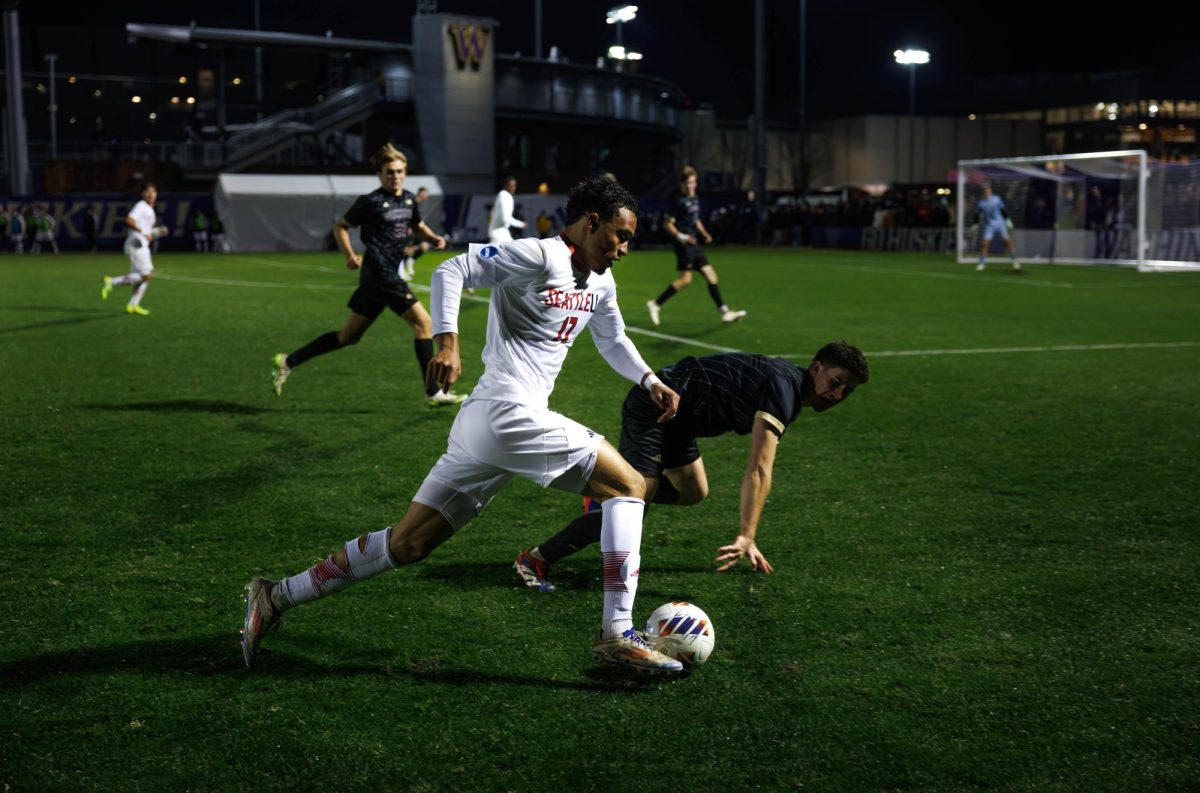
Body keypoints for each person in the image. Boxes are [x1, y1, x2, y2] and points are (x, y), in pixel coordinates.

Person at [242, 177, 685, 674]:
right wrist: (447, 342)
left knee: (408, 544)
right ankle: (617, 633)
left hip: (486, 425)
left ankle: (275, 596)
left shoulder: (601, 281)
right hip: (507, 412)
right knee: (628, 486)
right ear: (591, 222)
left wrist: (649, 379)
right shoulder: (539, 255)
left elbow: (613, 338)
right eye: (619, 236)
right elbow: (452, 269)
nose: (624, 248)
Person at [514, 342, 869, 591]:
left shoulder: (789, 387)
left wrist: (750, 531)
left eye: (846, 391)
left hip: (681, 421)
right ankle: (535, 559)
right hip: (656, 407)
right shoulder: (785, 388)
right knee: (633, 505)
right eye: (836, 383)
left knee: (693, 491)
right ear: (817, 368)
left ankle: (609, 492)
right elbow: (759, 469)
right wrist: (747, 533)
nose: (837, 394)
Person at [270, 144, 463, 406]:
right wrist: (350, 255)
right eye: (389, 172)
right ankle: (432, 392)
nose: (394, 176)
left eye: (399, 171)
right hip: (379, 274)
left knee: (348, 336)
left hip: (377, 280)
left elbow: (416, 224)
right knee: (424, 325)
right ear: (380, 174)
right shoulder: (370, 202)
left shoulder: (407, 199)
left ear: (405, 173)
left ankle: (287, 361)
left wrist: (432, 237)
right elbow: (340, 226)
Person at [646, 166, 746, 326]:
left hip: (695, 246)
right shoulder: (677, 201)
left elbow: (695, 219)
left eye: (693, 182)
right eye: (688, 183)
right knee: (685, 280)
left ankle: (725, 312)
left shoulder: (694, 198)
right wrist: (682, 236)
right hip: (684, 246)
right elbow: (667, 224)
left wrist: (704, 233)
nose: (691, 186)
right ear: (682, 184)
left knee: (711, 276)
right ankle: (655, 304)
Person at [100, 183, 162, 316]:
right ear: (143, 194)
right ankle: (111, 281)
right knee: (147, 276)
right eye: (148, 191)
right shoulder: (141, 206)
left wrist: (159, 232)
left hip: (141, 244)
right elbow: (129, 220)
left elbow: (148, 231)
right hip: (137, 243)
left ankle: (133, 305)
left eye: (154, 192)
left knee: (142, 277)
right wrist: (143, 232)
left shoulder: (150, 210)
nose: (151, 194)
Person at [974, 184, 1021, 272]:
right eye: (985, 190)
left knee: (1007, 242)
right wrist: (975, 224)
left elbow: (1003, 210)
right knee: (984, 244)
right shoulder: (980, 203)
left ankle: (1015, 260)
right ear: (983, 192)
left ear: (990, 191)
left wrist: (1007, 220)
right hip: (989, 225)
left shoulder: (997, 199)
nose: (987, 191)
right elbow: (977, 214)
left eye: (988, 190)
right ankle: (981, 263)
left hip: (1000, 224)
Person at [400, 186, 430, 280]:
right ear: (420, 193)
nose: (426, 196)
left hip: (417, 231)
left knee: (424, 246)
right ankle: (400, 271)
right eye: (425, 193)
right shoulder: (412, 201)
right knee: (404, 250)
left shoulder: (421, 204)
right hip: (408, 231)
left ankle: (410, 261)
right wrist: (408, 227)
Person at [487, 175, 526, 244]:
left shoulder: (503, 195)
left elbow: (492, 214)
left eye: (514, 185)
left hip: (502, 232)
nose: (514, 188)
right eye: (511, 185)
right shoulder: (504, 196)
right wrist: (521, 224)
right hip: (498, 234)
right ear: (506, 185)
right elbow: (506, 218)